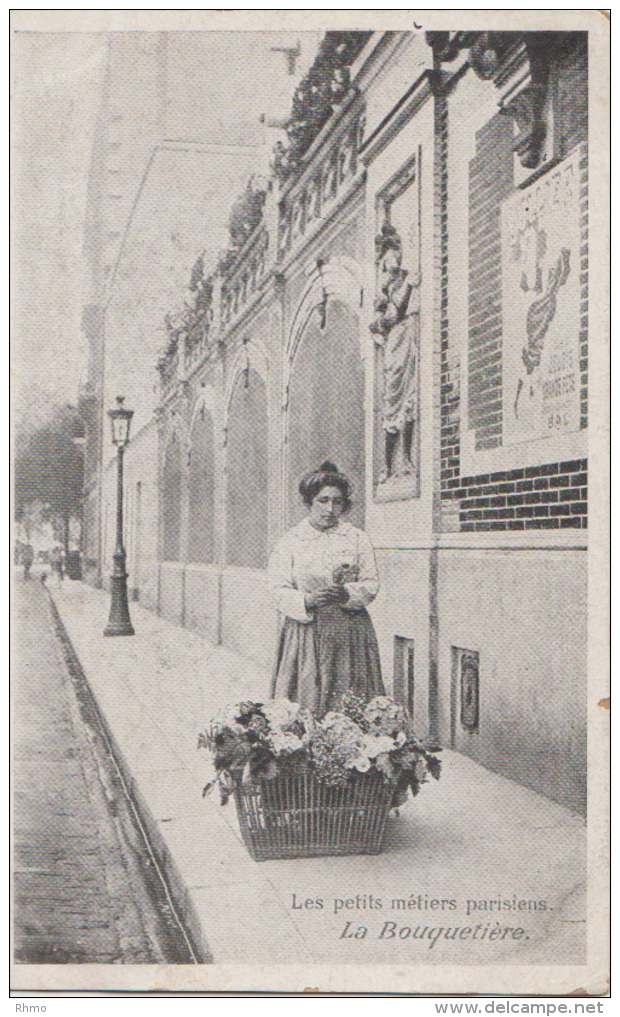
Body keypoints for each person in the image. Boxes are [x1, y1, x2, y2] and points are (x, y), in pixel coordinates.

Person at [268, 461, 385, 715]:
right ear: (309, 501)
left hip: (350, 632)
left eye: (338, 502)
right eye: (323, 500)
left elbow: (371, 584)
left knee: (350, 702)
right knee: (305, 702)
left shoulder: (356, 538)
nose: (330, 509)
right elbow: (277, 589)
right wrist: (306, 600)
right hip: (305, 632)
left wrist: (348, 594)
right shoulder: (291, 540)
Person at [370, 225, 420, 482]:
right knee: (393, 404)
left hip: (409, 344)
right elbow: (394, 314)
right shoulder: (387, 299)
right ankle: (388, 467)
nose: (390, 270)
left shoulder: (405, 280)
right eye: (386, 267)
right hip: (395, 350)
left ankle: (408, 459)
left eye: (393, 265)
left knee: (411, 402)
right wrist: (407, 287)